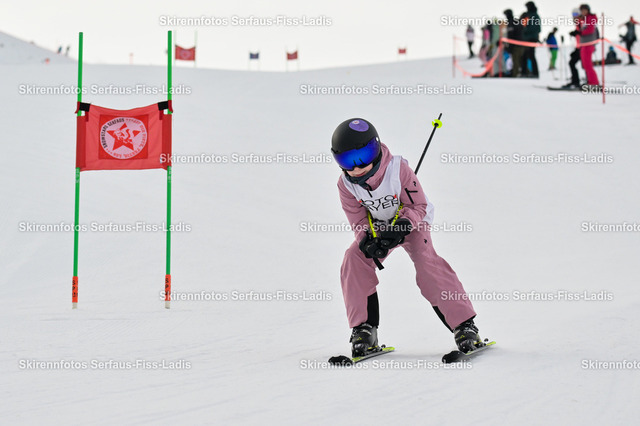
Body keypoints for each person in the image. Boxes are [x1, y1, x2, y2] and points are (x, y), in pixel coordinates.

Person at [331, 118, 483, 357]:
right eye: (348, 161)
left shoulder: (397, 169)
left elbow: (419, 205)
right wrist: (367, 240)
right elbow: (357, 220)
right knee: (353, 258)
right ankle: (364, 329)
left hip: (413, 223)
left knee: (426, 262)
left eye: (363, 156)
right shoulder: (346, 186)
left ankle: (464, 326)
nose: (357, 167)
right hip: (379, 228)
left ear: (376, 149)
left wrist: (402, 226)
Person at [577, 4, 600, 86]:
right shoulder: (584, 19)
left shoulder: (591, 18)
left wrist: (580, 32)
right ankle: (590, 81)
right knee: (585, 65)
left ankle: (594, 82)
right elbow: (581, 28)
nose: (583, 12)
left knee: (588, 65)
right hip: (584, 44)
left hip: (589, 44)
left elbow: (590, 29)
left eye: (584, 10)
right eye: (581, 10)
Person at [521, 1, 541, 77]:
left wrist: (525, 30)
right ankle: (525, 72)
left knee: (531, 55)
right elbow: (523, 25)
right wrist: (521, 18)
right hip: (526, 39)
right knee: (525, 55)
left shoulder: (534, 16)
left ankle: (535, 73)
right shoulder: (527, 15)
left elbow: (537, 28)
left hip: (532, 39)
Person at [563, 8, 583, 89]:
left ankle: (576, 82)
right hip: (579, 47)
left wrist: (576, 32)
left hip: (583, 47)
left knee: (573, 63)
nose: (574, 16)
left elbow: (584, 32)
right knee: (572, 63)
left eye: (575, 14)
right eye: (573, 15)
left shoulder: (581, 22)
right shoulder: (578, 23)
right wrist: (574, 33)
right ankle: (575, 81)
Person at [504, 8, 525, 77]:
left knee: (516, 60)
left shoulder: (511, 23)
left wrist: (510, 47)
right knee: (520, 60)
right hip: (521, 43)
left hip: (516, 45)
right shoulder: (516, 21)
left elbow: (511, 36)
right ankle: (524, 73)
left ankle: (515, 74)